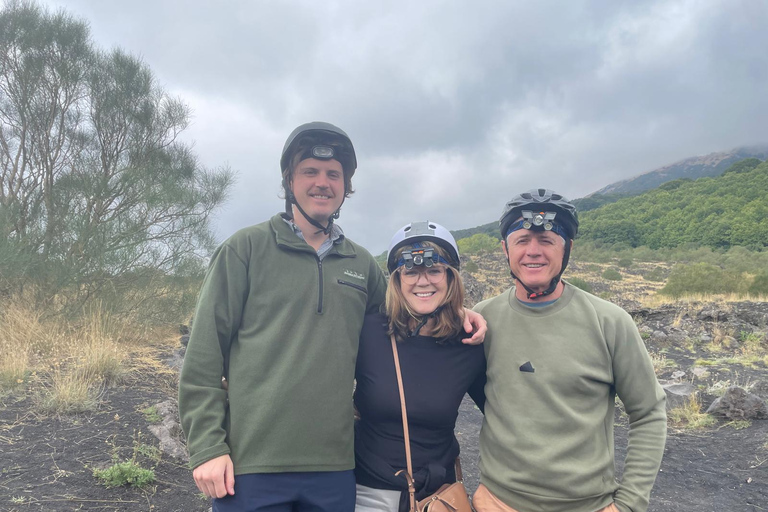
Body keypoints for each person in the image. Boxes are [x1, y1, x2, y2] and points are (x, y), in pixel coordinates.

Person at [178, 122, 486, 512]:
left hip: (337, 471)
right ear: (289, 180)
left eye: (333, 174)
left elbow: (406, 313)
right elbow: (203, 358)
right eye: (310, 171)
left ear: (345, 186)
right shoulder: (245, 250)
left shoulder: (360, 264)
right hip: (250, 465)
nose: (322, 182)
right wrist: (207, 447)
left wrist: (458, 311)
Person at [472, 189, 667, 512]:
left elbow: (648, 413)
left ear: (568, 249)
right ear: (505, 249)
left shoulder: (610, 322)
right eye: (522, 241)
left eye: (547, 240)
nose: (533, 252)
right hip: (498, 502)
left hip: (587, 505)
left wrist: (629, 504)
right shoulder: (485, 317)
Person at [354, 221, 486, 512]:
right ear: (396, 280)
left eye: (434, 269)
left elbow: (504, 415)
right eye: (410, 270)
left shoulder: (469, 344)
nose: (422, 281)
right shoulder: (369, 332)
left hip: (438, 497)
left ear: (451, 277)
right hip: (367, 494)